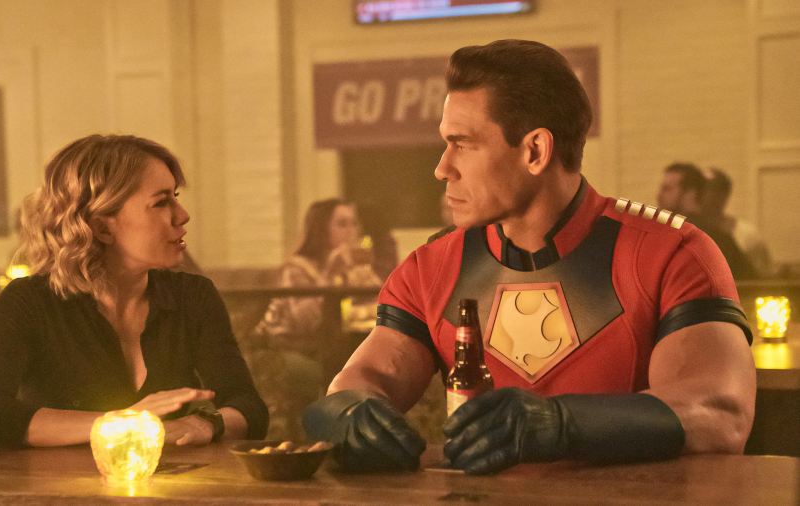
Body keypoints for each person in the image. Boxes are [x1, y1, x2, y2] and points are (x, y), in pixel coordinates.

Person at [304, 39, 756, 475]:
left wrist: (560, 425)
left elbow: (720, 412)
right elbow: (359, 384)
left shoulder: (672, 254)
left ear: (535, 151)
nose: (442, 168)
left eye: (463, 143)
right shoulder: (430, 268)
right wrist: (351, 413)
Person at [0, 134, 267, 447]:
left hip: (168, 479)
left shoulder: (192, 295)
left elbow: (249, 407)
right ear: (102, 228)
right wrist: (120, 423)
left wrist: (207, 423)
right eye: (161, 202)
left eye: (175, 197)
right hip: (60, 480)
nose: (182, 215)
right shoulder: (29, 301)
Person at [254, 199, 380, 439]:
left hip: (333, 344)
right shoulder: (297, 268)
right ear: (321, 229)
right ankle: (328, 436)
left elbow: (379, 303)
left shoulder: (349, 265)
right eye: (342, 224)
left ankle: (358, 436)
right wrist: (332, 272)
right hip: (286, 345)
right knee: (334, 370)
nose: (351, 231)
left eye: (354, 223)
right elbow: (305, 322)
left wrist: (362, 272)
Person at [656, 163, 756, 279]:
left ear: (690, 194)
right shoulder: (721, 240)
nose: (659, 195)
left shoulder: (716, 241)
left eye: (667, 189)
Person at [702, 168, 772, 277]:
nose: (705, 196)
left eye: (712, 191)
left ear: (724, 195)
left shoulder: (747, 235)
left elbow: (762, 278)